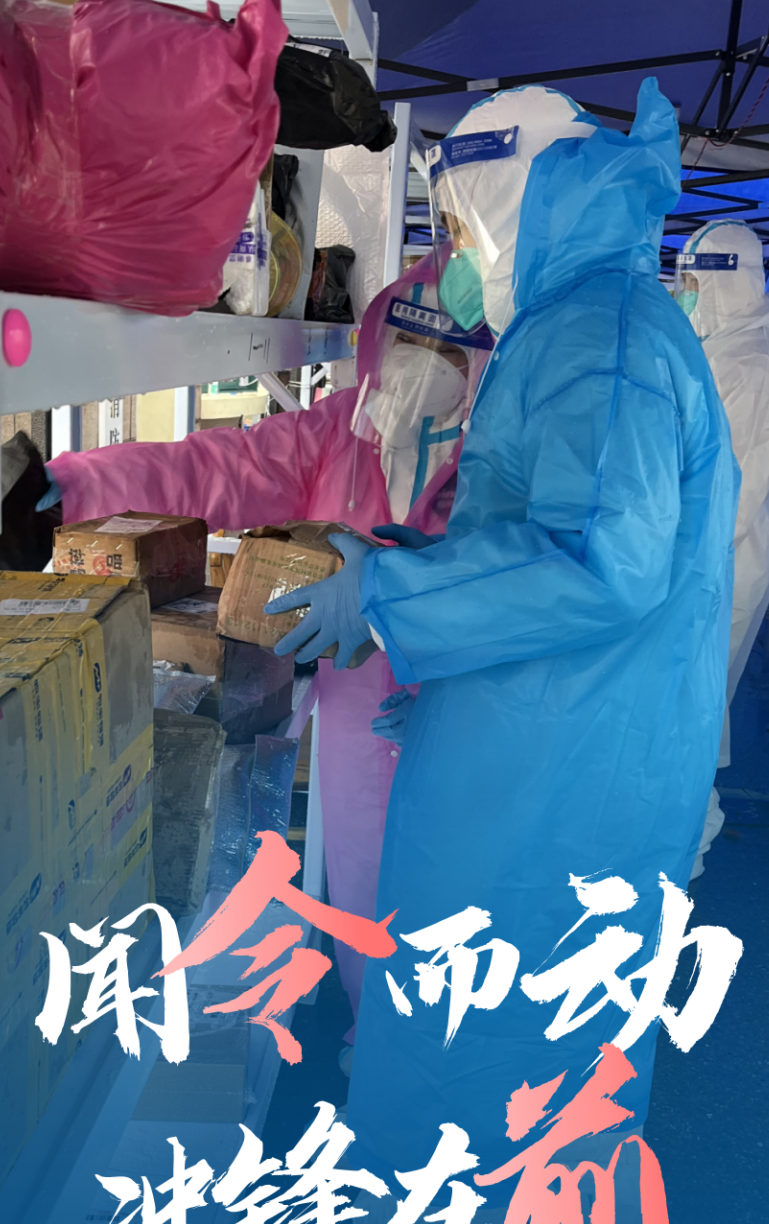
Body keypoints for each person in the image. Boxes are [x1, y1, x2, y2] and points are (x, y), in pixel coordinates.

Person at [268, 79, 740, 1224]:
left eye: (467, 222)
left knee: (453, 1078)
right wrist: (401, 571)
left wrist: (390, 596)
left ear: (514, 200)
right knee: (572, 1085)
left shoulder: (600, 337)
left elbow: (602, 561)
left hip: (543, 799)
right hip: (571, 772)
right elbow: (540, 536)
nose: (460, 255)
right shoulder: (593, 321)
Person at [43, 254, 491, 1046]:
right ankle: (374, 1040)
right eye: (411, 343)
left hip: (470, 702)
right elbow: (215, 469)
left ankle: (450, 1055)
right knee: (363, 869)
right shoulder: (341, 431)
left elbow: (541, 579)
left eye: (451, 351)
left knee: (467, 883)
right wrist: (79, 485)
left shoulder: (502, 458)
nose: (426, 366)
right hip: (357, 705)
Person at [675, 221, 769, 876]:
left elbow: (726, 500)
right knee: (676, 707)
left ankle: (680, 853)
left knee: (684, 713)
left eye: (694, 282)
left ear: (725, 281)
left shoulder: (758, 368)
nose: (687, 294)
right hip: (698, 564)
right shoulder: (730, 353)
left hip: (713, 567)